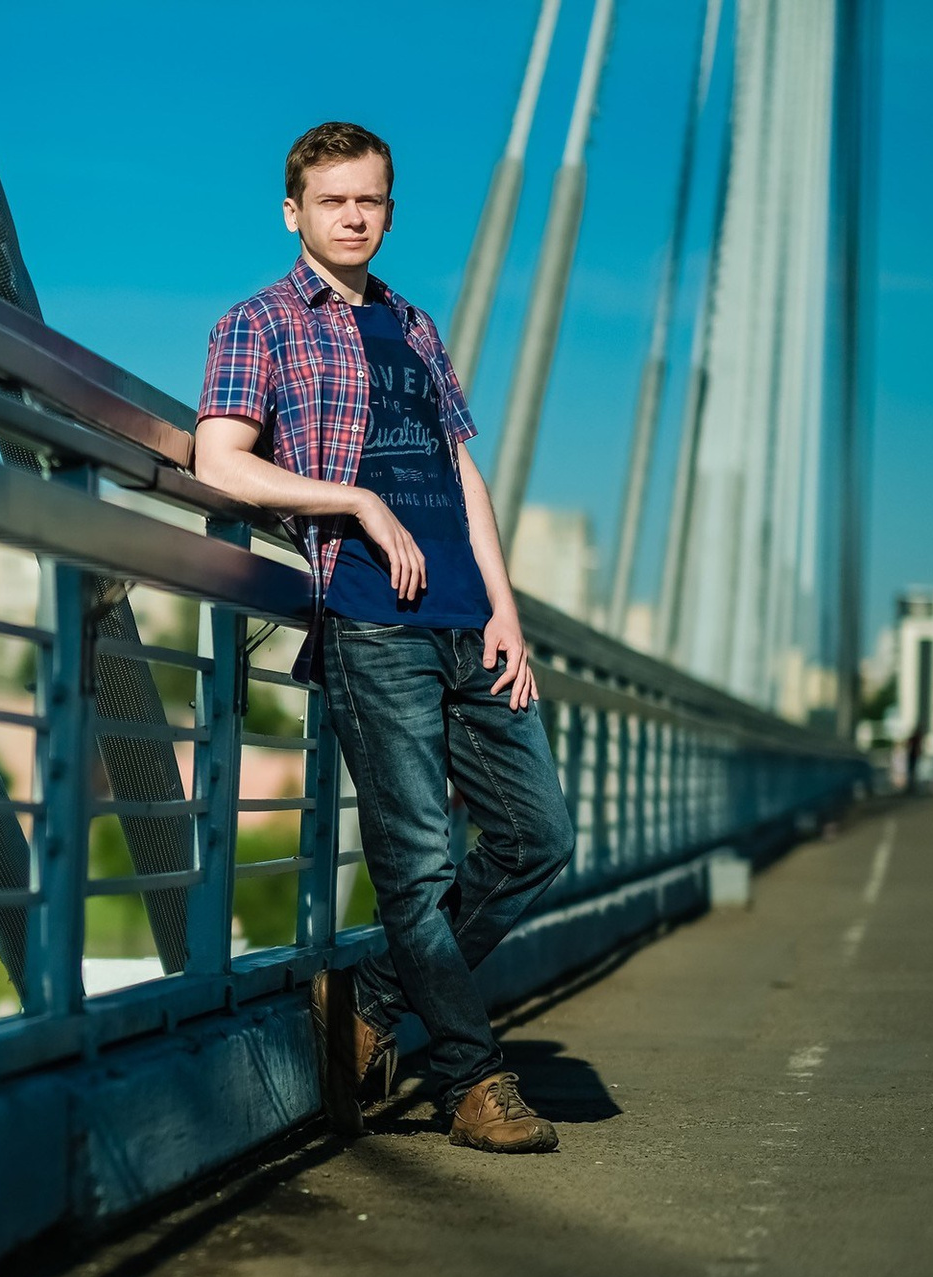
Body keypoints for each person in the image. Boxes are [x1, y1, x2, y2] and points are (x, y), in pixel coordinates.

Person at [193, 123, 576, 1154]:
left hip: (466, 619)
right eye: (333, 201)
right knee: (416, 865)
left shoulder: (413, 323)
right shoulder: (258, 323)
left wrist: (504, 606)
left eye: (370, 200)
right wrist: (354, 499)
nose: (353, 217)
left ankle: (366, 998)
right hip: (370, 617)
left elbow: (461, 471)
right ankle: (471, 1079)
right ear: (294, 212)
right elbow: (219, 459)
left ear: (389, 210)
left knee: (538, 837)